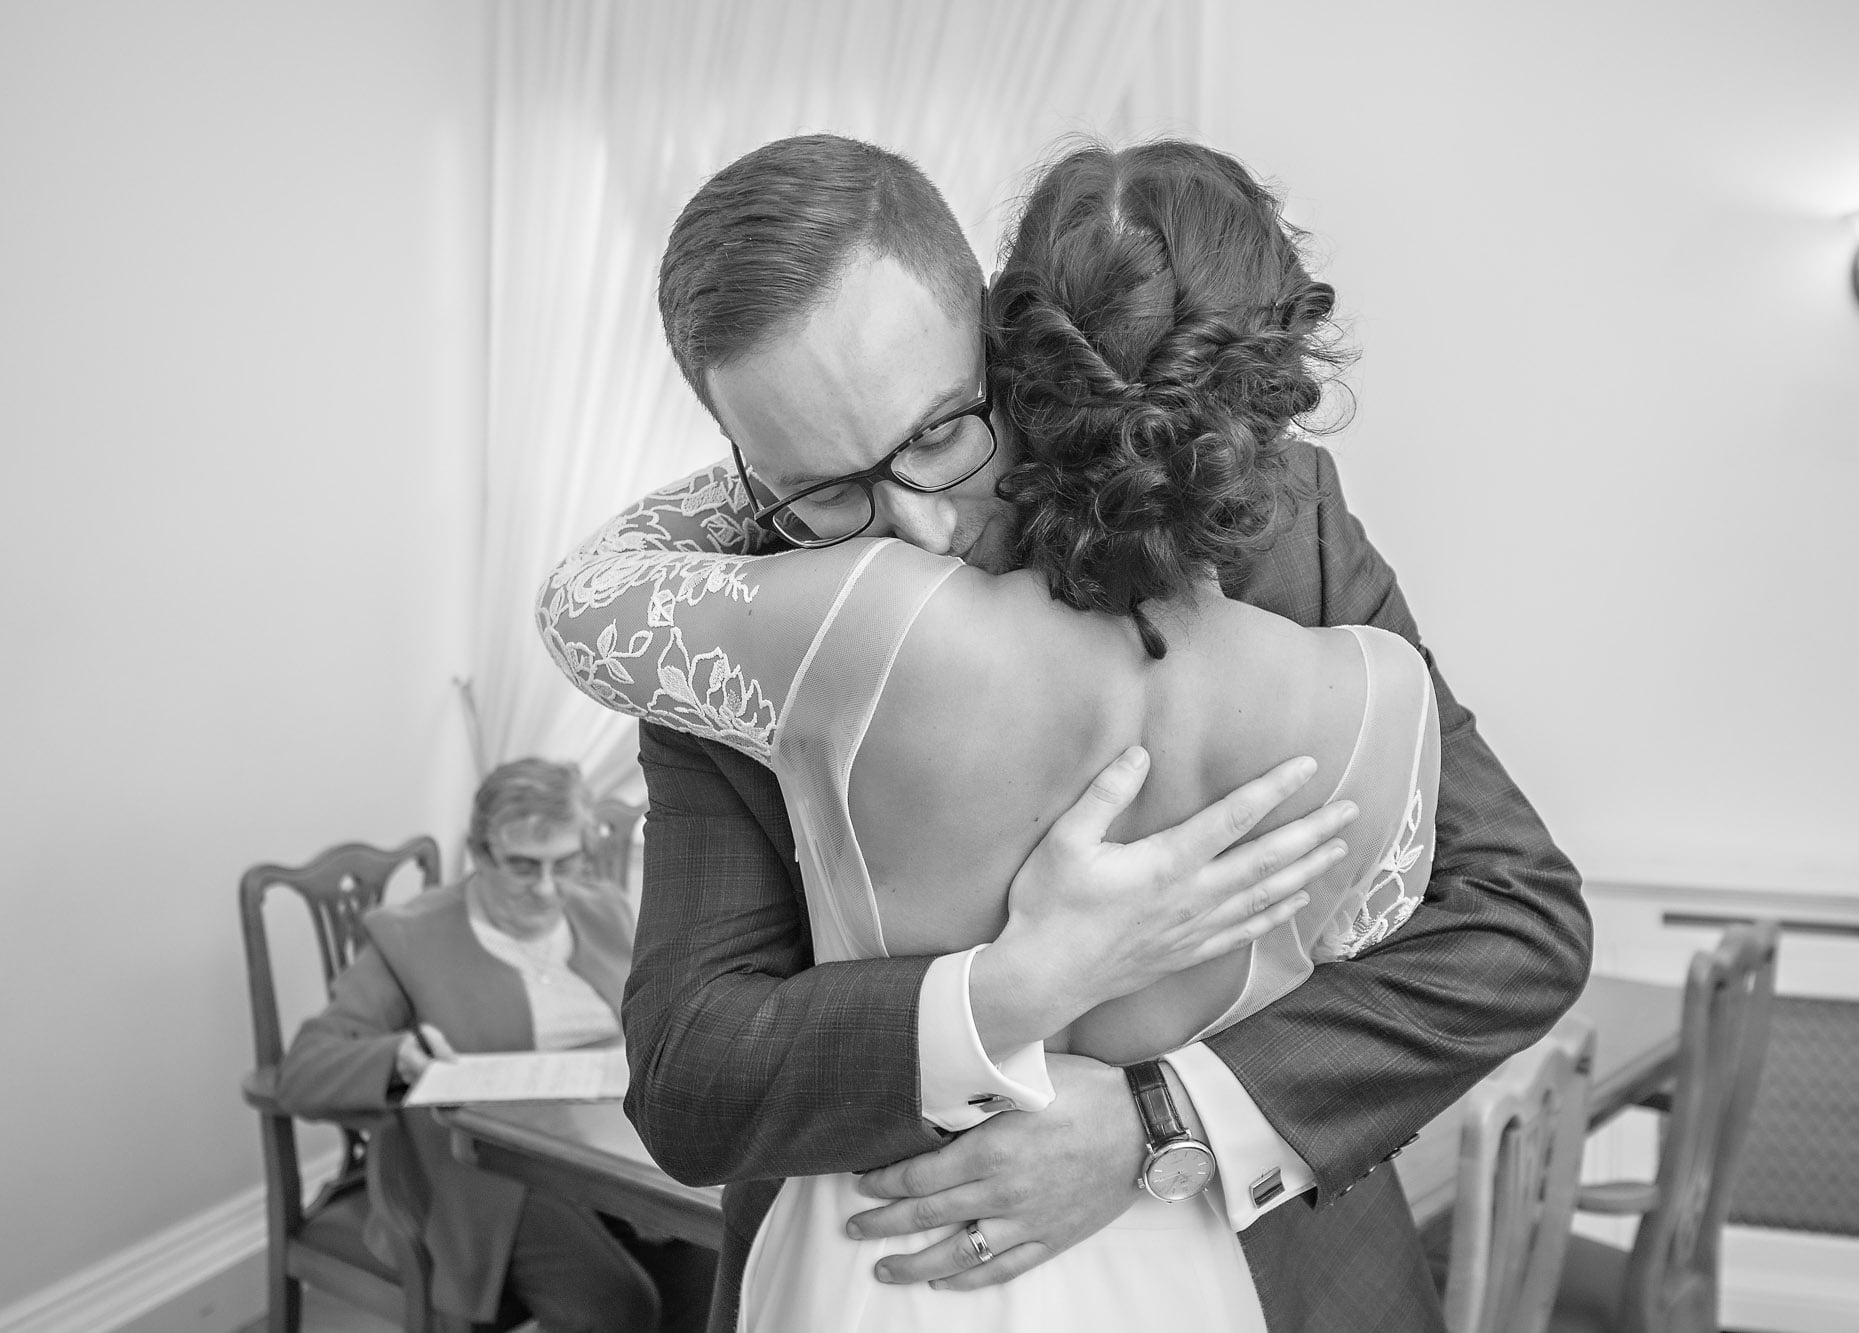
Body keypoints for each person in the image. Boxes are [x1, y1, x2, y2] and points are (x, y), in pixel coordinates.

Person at [546, 136, 1590, 1333]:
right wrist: (1003, 993)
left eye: (941, 432)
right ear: (746, 465)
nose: (920, 530)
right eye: (821, 490)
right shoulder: (726, 618)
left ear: (999, 346)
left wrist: (1167, 1116)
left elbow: (1516, 915)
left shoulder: (1257, 502)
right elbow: (690, 1079)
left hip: (1272, 1275)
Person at [275, 758, 716, 1333]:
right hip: (483, 1172)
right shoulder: (410, 936)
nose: (548, 888)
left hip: (607, 1147)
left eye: (565, 862)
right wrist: (397, 1058)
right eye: (523, 867)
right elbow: (303, 1070)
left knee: (710, 1258)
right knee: (618, 1305)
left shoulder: (602, 909)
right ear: (479, 854)